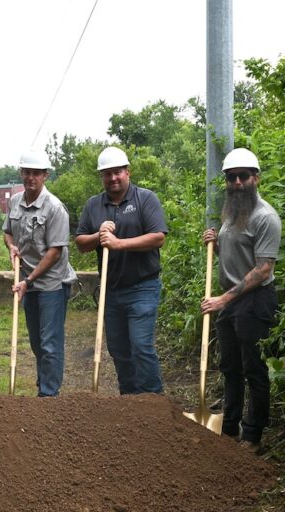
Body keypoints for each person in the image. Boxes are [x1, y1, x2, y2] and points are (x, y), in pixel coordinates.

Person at [200, 148, 281, 453]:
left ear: (255, 178)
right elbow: (236, 256)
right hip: (231, 301)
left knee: (253, 369)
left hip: (255, 301)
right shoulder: (233, 214)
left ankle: (253, 436)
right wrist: (216, 245)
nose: (237, 183)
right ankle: (229, 428)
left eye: (243, 176)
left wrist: (223, 300)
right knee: (230, 367)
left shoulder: (265, 218)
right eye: (231, 177)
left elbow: (262, 269)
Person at [75, 146, 168, 395]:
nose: (112, 178)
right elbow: (81, 243)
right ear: (102, 177)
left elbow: (158, 237)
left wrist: (118, 244)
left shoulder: (145, 199)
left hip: (143, 287)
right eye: (107, 174)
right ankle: (128, 403)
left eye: (117, 172)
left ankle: (152, 402)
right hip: (111, 290)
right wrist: (99, 235)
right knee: (119, 350)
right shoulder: (93, 205)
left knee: (141, 346)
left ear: (128, 172)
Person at [3, 149, 77, 397]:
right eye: (26, 172)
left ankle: (49, 396)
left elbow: (55, 251)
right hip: (27, 281)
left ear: (45, 175)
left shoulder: (55, 208)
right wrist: (11, 246)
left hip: (52, 284)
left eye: (36, 173)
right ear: (21, 173)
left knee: (49, 343)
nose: (30, 177)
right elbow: (7, 231)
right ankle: (44, 385)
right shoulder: (14, 201)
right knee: (36, 342)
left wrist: (29, 280)